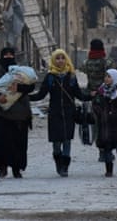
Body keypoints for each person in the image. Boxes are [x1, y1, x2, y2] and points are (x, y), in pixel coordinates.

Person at [29, 48, 92, 177]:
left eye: (63, 58)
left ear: (66, 60)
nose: (60, 61)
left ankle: (65, 167)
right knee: (56, 143)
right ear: (53, 60)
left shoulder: (72, 77)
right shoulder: (50, 77)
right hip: (55, 114)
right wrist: (25, 96)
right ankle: (58, 162)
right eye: (57, 58)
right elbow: (41, 95)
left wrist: (92, 95)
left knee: (67, 140)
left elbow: (79, 95)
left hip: (69, 114)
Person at [0, 47, 35, 179]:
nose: (8, 57)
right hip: (0, 114)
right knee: (0, 143)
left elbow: (31, 86)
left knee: (18, 143)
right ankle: (2, 167)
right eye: (5, 55)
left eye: (10, 54)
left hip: (20, 113)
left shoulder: (21, 72)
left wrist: (19, 87)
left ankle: (16, 169)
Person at [92, 69, 117, 178]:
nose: (106, 78)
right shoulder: (100, 92)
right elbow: (95, 105)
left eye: (109, 76)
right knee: (107, 149)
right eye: (105, 76)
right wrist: (101, 113)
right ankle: (109, 170)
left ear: (115, 78)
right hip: (105, 126)